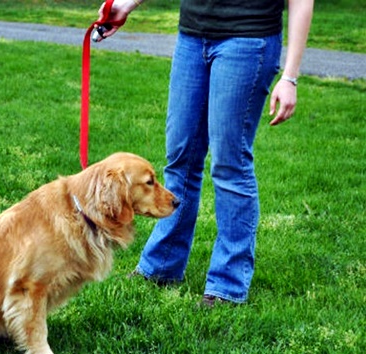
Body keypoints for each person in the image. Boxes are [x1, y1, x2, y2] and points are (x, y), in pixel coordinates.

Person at [94, 0, 313, 305]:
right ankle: (162, 266)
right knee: (181, 157)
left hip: (249, 38)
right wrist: (125, 5)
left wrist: (290, 77)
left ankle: (227, 285)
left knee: (229, 164)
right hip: (193, 36)